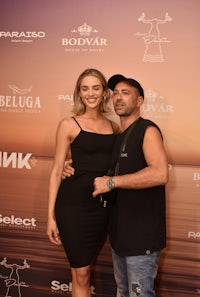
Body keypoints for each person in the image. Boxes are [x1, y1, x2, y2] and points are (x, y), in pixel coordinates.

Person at [64, 74, 169, 297]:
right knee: (123, 292)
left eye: (126, 93)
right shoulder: (117, 136)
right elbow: (97, 162)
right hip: (120, 237)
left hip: (142, 239)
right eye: (116, 93)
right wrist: (71, 165)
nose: (118, 98)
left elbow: (160, 174)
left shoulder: (147, 130)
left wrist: (111, 182)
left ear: (139, 101)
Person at [47, 68, 119, 297]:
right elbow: (57, 170)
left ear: (104, 93)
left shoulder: (114, 127)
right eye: (85, 88)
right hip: (72, 207)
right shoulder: (68, 124)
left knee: (86, 271)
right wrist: (50, 217)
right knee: (80, 273)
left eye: (96, 88)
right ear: (79, 92)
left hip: (100, 209)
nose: (91, 93)